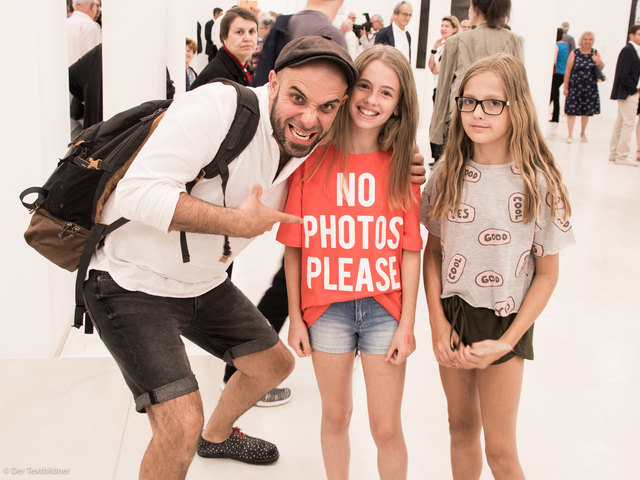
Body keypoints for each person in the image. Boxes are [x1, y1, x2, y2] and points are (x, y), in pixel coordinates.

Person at [82, 36, 358, 479]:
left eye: (327, 107)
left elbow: (376, 143)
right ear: (272, 82)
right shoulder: (218, 107)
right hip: (129, 284)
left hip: (203, 285)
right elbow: (135, 194)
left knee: (274, 365)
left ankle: (218, 435)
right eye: (297, 98)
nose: (309, 118)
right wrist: (235, 222)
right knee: (179, 427)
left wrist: (412, 164)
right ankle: (199, 434)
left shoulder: (311, 141)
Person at [421, 53, 574, 480]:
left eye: (493, 103)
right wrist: (436, 322)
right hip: (453, 312)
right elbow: (434, 251)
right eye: (468, 101)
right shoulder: (448, 170)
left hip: (506, 320)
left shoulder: (539, 182)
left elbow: (547, 275)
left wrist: (507, 342)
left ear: (517, 107)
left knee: (501, 451)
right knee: (459, 428)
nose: (477, 113)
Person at [278, 45, 421, 480]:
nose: (371, 100)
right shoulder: (311, 159)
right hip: (326, 311)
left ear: (398, 108)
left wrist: (408, 324)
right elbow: (294, 246)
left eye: (386, 93)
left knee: (386, 427)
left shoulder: (403, 166)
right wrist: (296, 318)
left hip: (384, 310)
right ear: (347, 90)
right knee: (335, 418)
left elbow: (410, 249)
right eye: (364, 86)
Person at [429, 0, 523, 155]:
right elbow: (519, 91)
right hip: (499, 117)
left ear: (476, 7)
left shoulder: (456, 41)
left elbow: (443, 90)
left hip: (463, 116)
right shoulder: (514, 41)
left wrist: (436, 135)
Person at [190, 7, 257, 90]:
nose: (248, 38)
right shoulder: (216, 77)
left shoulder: (244, 69)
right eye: (239, 32)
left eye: (252, 31)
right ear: (224, 37)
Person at [428, 15, 460, 165]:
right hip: (437, 87)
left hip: (446, 90)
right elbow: (432, 68)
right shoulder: (441, 46)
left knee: (442, 122)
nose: (443, 28)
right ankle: (436, 156)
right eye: (442, 25)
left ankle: (441, 156)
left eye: (447, 26)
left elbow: (440, 69)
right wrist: (434, 49)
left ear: (454, 29)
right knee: (436, 120)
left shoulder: (454, 45)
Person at [563, 31, 604, 143]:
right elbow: (567, 71)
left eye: (590, 39)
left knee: (586, 111)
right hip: (575, 86)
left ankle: (582, 132)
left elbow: (602, 66)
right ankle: (570, 134)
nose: (587, 41)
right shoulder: (575, 52)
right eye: (585, 39)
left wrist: (598, 61)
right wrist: (566, 87)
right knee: (571, 111)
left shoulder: (595, 53)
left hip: (589, 87)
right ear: (582, 40)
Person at [609, 25, 640, 167]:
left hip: (627, 92)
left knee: (621, 122)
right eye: (639, 34)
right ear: (631, 35)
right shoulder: (628, 50)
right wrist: (634, 89)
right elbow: (623, 73)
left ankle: (614, 153)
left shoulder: (633, 50)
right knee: (628, 123)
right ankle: (621, 155)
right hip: (628, 93)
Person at [550, 27, 569, 123]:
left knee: (554, 94)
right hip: (563, 73)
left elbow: (554, 61)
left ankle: (555, 117)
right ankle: (554, 115)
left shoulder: (556, 46)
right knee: (553, 94)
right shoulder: (565, 45)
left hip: (556, 73)